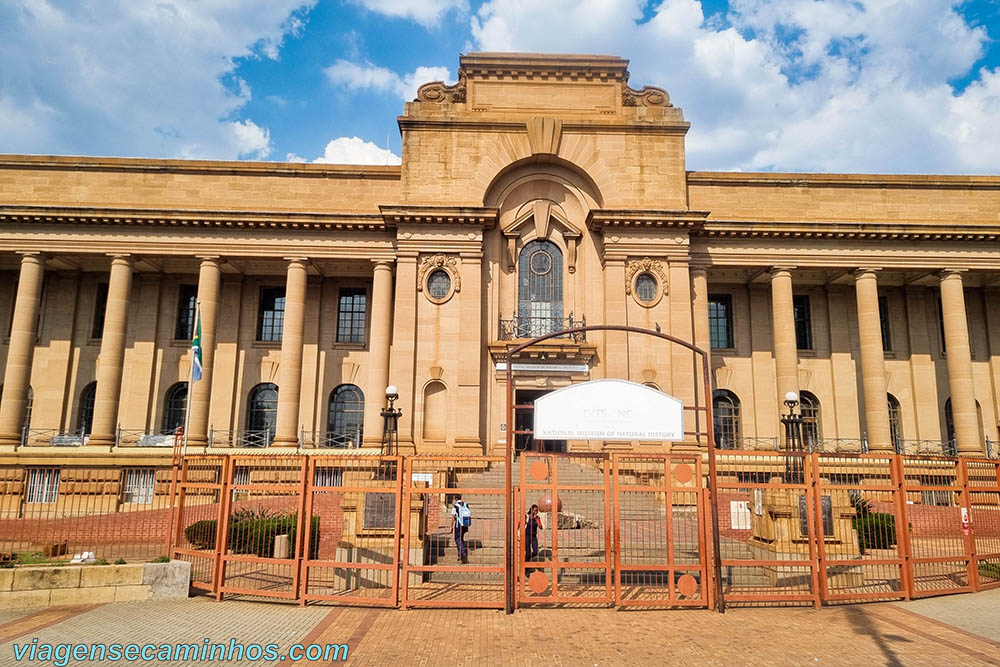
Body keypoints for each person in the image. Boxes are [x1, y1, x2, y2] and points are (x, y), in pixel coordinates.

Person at [450, 496, 471, 563]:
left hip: (458, 524)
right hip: (465, 524)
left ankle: (463, 554)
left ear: (455, 499)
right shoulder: (466, 504)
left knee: (457, 539)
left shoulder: (455, 506)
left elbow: (453, 517)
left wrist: (451, 526)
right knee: (461, 538)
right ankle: (460, 555)